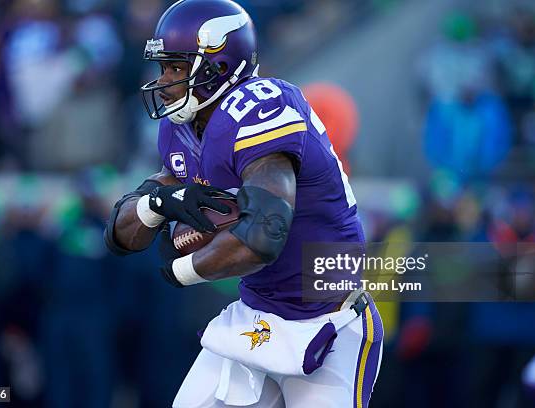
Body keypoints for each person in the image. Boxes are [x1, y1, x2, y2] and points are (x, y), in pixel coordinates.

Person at [104, 0, 383, 406]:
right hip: (256, 314)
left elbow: (263, 233)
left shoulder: (259, 108)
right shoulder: (182, 128)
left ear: (217, 66)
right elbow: (119, 233)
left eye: (177, 68)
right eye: (163, 67)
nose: (165, 80)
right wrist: (158, 203)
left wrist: (182, 271)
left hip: (328, 320)